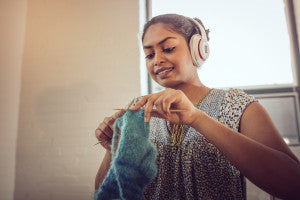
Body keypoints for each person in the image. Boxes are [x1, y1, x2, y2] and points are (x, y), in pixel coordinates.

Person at [94, 14, 300, 199]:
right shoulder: (139, 111)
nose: (157, 60)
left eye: (168, 49)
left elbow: (294, 185)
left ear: (198, 49)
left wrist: (196, 118)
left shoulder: (237, 105)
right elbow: (105, 194)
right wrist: (112, 150)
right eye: (149, 55)